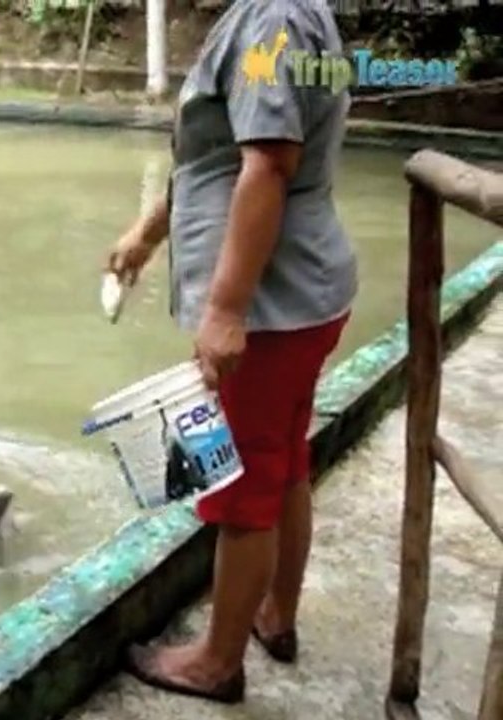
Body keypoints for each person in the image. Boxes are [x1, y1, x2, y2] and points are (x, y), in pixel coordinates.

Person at [107, 0, 358, 704]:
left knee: (242, 486)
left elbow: (270, 163)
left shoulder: (270, 20)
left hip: (272, 306)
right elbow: (217, 153)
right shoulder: (288, 11)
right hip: (307, 293)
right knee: (284, 465)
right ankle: (275, 616)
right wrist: (148, 235)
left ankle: (216, 663)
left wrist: (225, 310)